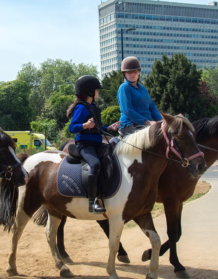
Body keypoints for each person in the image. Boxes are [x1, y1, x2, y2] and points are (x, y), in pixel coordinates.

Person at [67, 75, 120, 213]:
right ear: (89, 92)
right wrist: (85, 125)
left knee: (113, 156)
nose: (98, 92)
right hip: (85, 145)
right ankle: (92, 202)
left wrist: (109, 128)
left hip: (97, 143)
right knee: (95, 164)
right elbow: (72, 128)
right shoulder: (82, 107)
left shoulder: (92, 107)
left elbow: (97, 128)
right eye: (96, 90)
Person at [117, 56, 163, 137]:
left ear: (139, 72)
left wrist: (162, 121)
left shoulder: (143, 88)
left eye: (135, 71)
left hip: (146, 125)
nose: (132, 74)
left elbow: (152, 107)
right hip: (130, 125)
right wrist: (146, 122)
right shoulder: (124, 87)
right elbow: (127, 110)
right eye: (129, 72)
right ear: (124, 74)